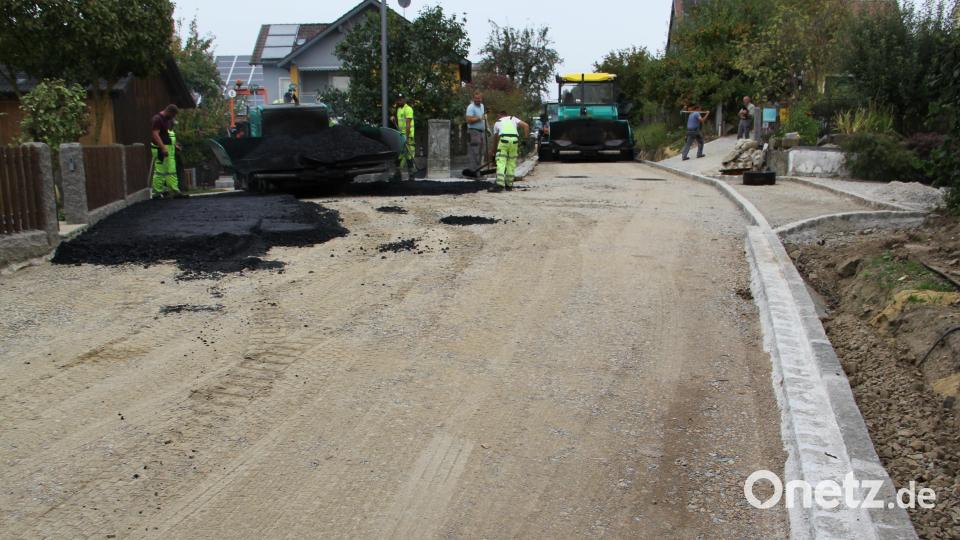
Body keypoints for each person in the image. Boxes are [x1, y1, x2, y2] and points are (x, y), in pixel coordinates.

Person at [488, 110, 529, 192]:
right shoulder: (513, 118)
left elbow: (496, 139)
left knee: (501, 161)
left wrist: (494, 152)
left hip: (504, 140)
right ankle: (509, 185)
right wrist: (525, 139)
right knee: (511, 162)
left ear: (500, 116)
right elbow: (526, 126)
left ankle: (499, 184)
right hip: (514, 140)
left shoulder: (498, 122)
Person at [150, 104, 185, 198]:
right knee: (161, 170)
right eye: (173, 115)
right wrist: (163, 148)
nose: (173, 117)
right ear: (170, 112)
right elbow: (155, 135)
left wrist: (174, 145)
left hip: (167, 147)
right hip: (160, 149)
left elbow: (166, 135)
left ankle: (172, 190)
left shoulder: (166, 119)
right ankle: (157, 192)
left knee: (170, 170)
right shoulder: (157, 119)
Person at [394, 93, 416, 181]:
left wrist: (406, 138)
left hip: (408, 137)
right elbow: (400, 123)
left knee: (409, 157)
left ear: (404, 99)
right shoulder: (399, 109)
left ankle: (412, 176)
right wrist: (394, 119)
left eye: (401, 99)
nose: (399, 101)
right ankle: (398, 176)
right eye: (398, 99)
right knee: (399, 156)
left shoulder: (408, 109)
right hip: (401, 136)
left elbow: (408, 125)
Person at [465, 91, 487, 173]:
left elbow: (484, 118)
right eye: (476, 98)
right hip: (473, 132)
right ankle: (473, 172)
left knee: (481, 152)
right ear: (473, 98)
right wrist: (479, 118)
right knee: (474, 152)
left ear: (482, 99)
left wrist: (487, 128)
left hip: (481, 132)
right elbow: (468, 120)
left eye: (479, 98)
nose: (478, 100)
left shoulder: (482, 106)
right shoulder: (471, 107)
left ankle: (478, 172)